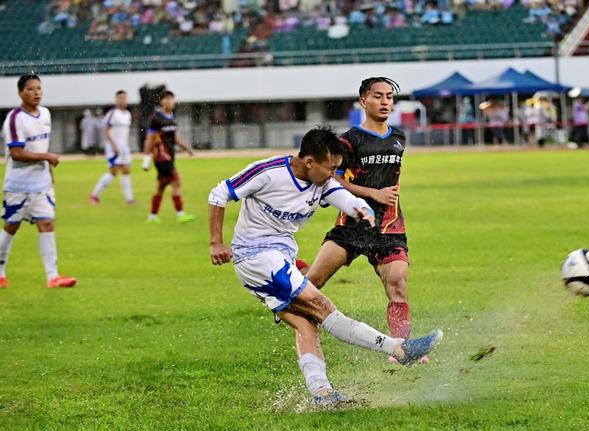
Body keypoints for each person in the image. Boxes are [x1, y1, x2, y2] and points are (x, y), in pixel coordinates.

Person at [207, 127, 443, 405]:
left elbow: (346, 198)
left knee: (307, 325)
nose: (333, 175)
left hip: (281, 257)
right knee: (322, 307)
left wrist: (362, 210)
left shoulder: (321, 181)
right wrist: (216, 243)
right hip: (256, 257)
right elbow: (219, 193)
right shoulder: (268, 171)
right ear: (309, 162)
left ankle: (322, 394)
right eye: (330, 169)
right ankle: (399, 349)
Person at [301, 77, 424, 364]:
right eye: (378, 96)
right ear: (363, 101)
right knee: (312, 283)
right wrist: (372, 193)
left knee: (397, 283)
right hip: (351, 225)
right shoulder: (348, 141)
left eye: (390, 97)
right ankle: (285, 288)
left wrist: (384, 198)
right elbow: (333, 177)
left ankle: (404, 349)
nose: (385, 102)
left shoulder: (399, 138)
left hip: (389, 226)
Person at [0, 74, 77, 289]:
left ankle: (52, 277)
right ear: (20, 93)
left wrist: (48, 171)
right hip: (18, 183)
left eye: (39, 88)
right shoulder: (15, 118)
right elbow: (16, 153)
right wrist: (47, 157)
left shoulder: (45, 114)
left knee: (47, 223)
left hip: (41, 182)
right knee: (11, 225)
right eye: (31, 89)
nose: (37, 93)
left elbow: (41, 146)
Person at [142, 90, 196, 223]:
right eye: (168, 99)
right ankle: (180, 214)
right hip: (161, 158)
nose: (171, 101)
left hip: (170, 157)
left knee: (161, 186)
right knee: (176, 181)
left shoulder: (171, 118)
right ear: (162, 101)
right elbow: (149, 139)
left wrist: (187, 148)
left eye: (172, 99)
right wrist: (146, 159)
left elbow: (175, 139)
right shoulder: (156, 118)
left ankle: (152, 216)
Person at [89, 90, 134, 204]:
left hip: (124, 148)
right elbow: (105, 129)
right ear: (116, 100)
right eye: (120, 98)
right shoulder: (112, 113)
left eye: (124, 98)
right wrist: (113, 145)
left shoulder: (128, 114)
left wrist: (127, 146)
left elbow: (125, 132)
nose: (122, 100)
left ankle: (129, 199)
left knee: (126, 170)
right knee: (113, 171)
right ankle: (94, 195)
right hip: (114, 148)